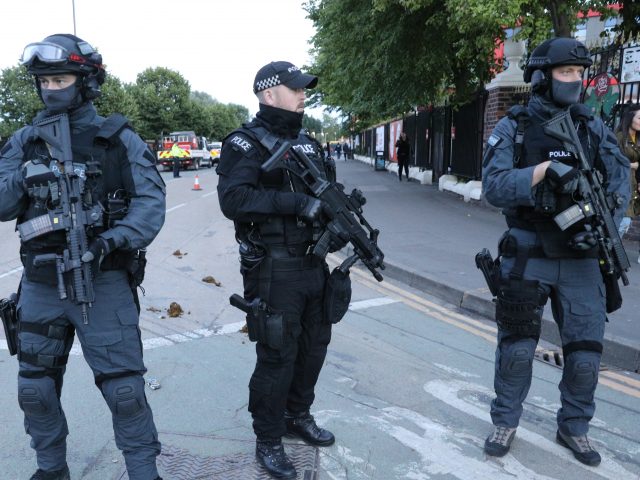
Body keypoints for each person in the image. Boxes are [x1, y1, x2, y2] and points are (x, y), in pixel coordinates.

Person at [0, 34, 166, 480]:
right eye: (45, 80)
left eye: (61, 78)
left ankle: (143, 473)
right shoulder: (23, 142)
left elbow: (150, 207)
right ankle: (51, 470)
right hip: (39, 284)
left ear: (86, 81)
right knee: (35, 391)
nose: (51, 88)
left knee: (125, 392)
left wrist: (107, 243)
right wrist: (25, 179)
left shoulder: (118, 139)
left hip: (102, 281)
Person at [481, 37, 630, 466]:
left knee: (585, 356)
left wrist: (607, 223)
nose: (576, 81)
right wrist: (543, 172)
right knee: (517, 349)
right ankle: (505, 420)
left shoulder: (590, 126)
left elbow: (619, 178)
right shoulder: (517, 126)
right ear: (543, 77)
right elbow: (493, 186)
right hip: (529, 251)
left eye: (580, 74)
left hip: (583, 256)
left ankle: (574, 427)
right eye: (567, 73)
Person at [217, 61, 345, 479]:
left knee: (313, 349)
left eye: (304, 88)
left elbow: (328, 195)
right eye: (296, 89)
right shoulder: (244, 143)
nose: (303, 95)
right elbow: (234, 200)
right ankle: (269, 439)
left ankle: (297, 415)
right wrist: (295, 205)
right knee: (277, 356)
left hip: (314, 264)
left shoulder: (309, 143)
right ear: (268, 94)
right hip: (274, 267)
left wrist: (338, 224)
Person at [615, 104, 640, 263]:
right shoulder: (619, 137)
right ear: (630, 118)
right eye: (639, 118)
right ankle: (612, 251)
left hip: (635, 184)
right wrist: (631, 165)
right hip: (621, 182)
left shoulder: (638, 139)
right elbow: (612, 161)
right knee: (623, 220)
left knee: (626, 220)